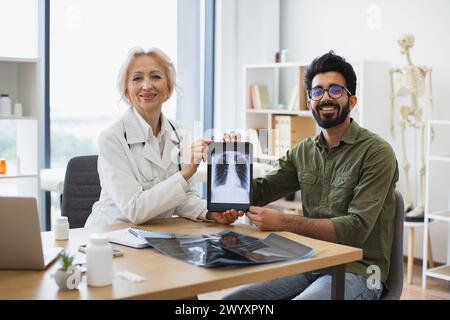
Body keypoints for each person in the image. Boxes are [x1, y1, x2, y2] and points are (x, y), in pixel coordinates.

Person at [223, 51, 399, 300]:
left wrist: (284, 222)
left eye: (335, 90)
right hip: (310, 261)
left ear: (352, 101)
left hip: (359, 271)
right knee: (234, 301)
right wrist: (232, 162)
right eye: (318, 92)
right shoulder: (303, 151)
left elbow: (356, 229)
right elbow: (261, 191)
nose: (325, 97)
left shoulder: (377, 152)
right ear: (309, 103)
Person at [85, 47, 239, 227]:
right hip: (112, 236)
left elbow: (182, 198)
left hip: (157, 234)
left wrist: (211, 212)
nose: (147, 85)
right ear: (126, 90)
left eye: (156, 76)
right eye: (137, 78)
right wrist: (187, 171)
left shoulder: (179, 132)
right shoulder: (111, 138)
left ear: (168, 88)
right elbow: (135, 209)